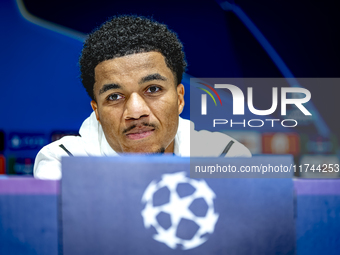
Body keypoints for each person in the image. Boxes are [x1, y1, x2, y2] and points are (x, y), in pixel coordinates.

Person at [34, 15, 251, 180]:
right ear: (97, 111)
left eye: (153, 89)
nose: (136, 112)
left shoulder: (222, 157)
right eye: (115, 96)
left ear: (180, 99)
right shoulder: (64, 162)